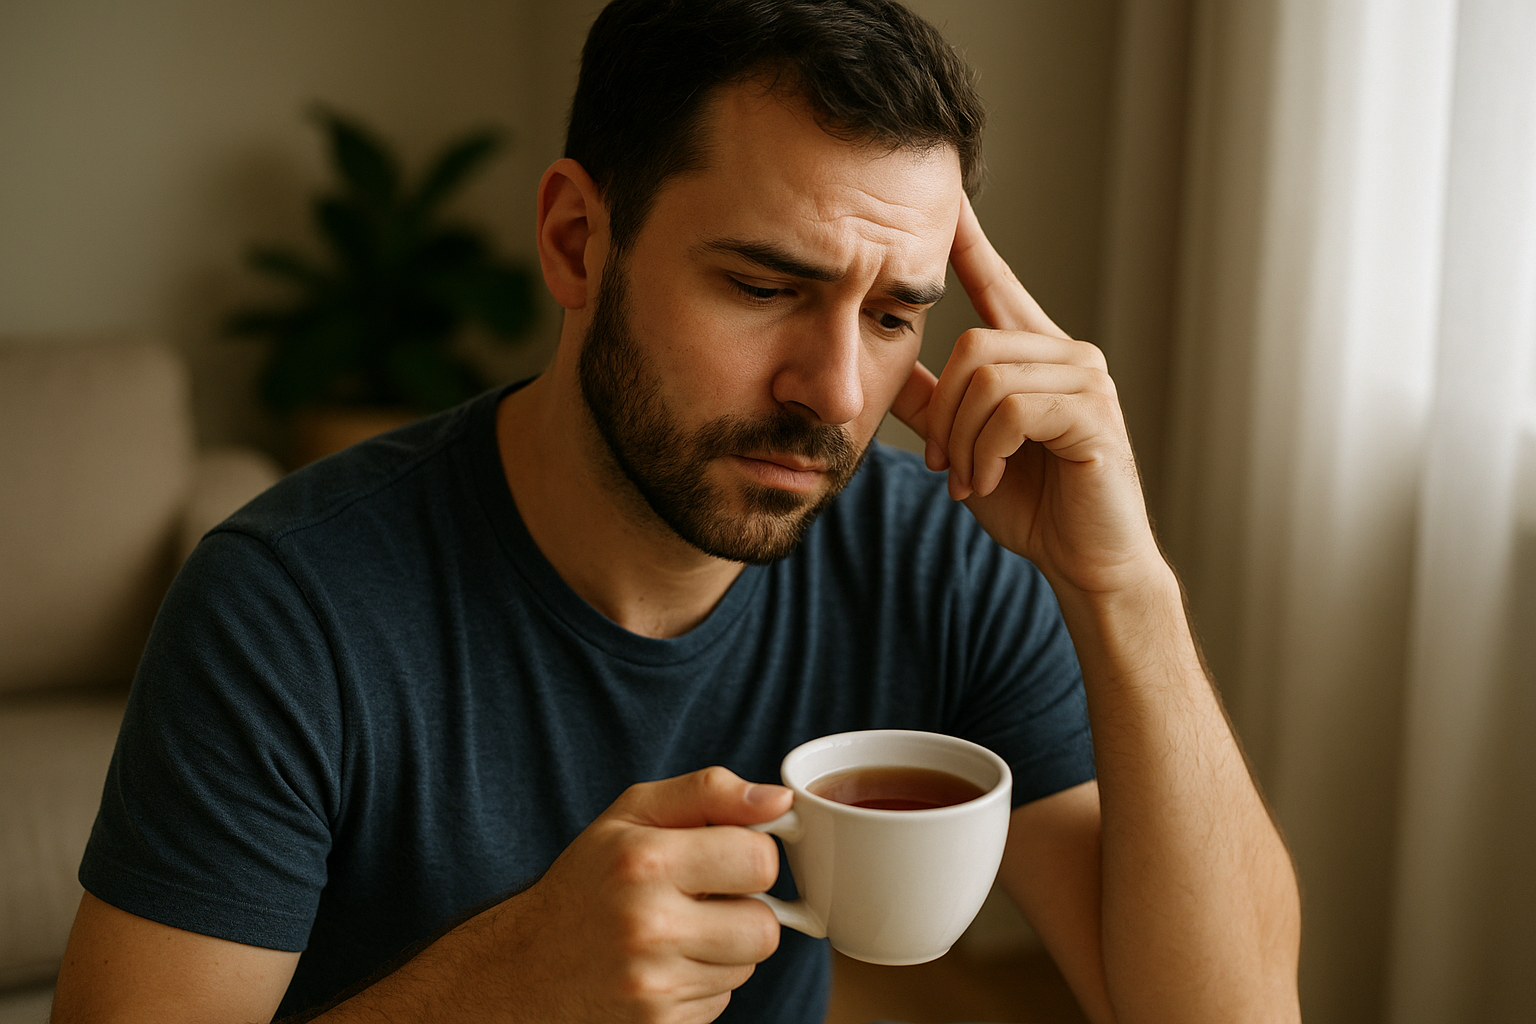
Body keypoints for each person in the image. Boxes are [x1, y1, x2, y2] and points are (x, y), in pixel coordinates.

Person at [52, 2, 1302, 1022]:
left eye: (891, 316)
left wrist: (1124, 581)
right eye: (764, 285)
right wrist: (508, 991)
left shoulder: (938, 555)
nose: (834, 392)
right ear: (577, 241)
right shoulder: (286, 607)